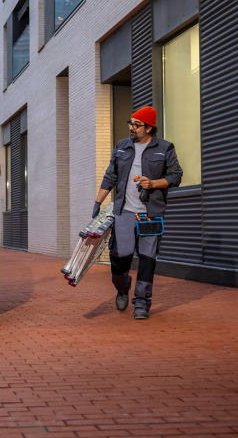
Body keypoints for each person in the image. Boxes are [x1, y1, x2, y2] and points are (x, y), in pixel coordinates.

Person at [94, 106, 182, 320]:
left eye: (136, 124)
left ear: (149, 128)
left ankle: (142, 302)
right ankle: (122, 288)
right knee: (119, 257)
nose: (131, 128)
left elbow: (176, 176)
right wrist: (98, 202)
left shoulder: (165, 148)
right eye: (130, 123)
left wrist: (153, 183)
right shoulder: (122, 146)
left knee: (147, 259)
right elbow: (110, 176)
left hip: (151, 213)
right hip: (124, 211)